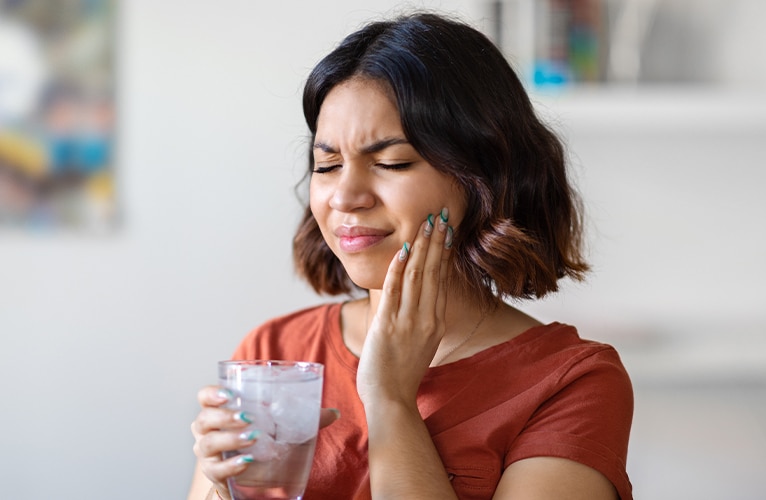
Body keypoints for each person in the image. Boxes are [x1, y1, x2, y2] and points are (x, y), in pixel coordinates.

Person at [188, 12, 633, 500]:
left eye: (391, 163)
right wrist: (216, 481)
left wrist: (390, 400)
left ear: (483, 177)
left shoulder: (572, 381)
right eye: (328, 165)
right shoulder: (273, 353)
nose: (345, 196)